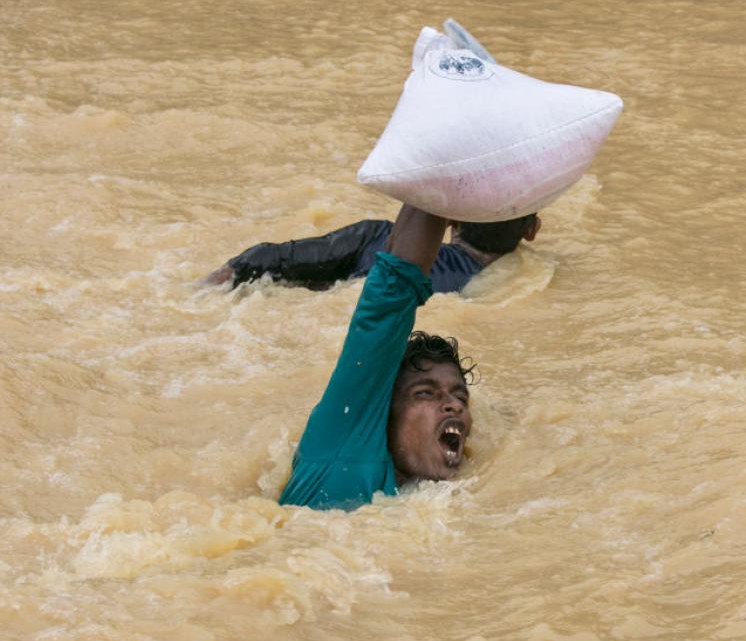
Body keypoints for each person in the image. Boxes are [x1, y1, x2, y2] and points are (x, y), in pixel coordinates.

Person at [279, 203, 484, 510]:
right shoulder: (344, 449)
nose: (454, 405)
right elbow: (388, 298)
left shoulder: (429, 507)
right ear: (382, 416)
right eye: (425, 392)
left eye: (460, 398)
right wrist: (440, 191)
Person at [201, 213, 541, 292]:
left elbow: (270, 257)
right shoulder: (511, 288)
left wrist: (197, 291)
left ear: (450, 216)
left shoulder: (378, 237)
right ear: (533, 230)